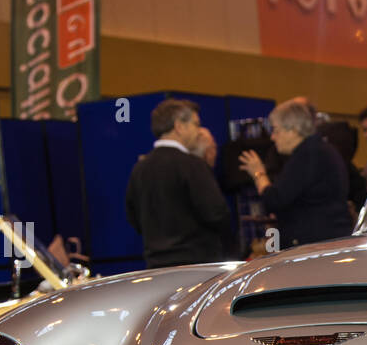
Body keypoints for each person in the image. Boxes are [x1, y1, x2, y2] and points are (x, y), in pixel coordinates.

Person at [125, 98, 234, 268]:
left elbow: (133, 217)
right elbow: (217, 214)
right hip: (197, 267)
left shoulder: (139, 168)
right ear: (179, 126)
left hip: (156, 267)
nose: (199, 131)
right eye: (196, 124)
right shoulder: (193, 165)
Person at [239, 98, 353, 249]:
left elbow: (275, 199)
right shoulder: (320, 150)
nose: (273, 137)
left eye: (276, 130)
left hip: (314, 244)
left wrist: (258, 173)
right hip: (327, 240)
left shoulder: (307, 154)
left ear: (293, 130)